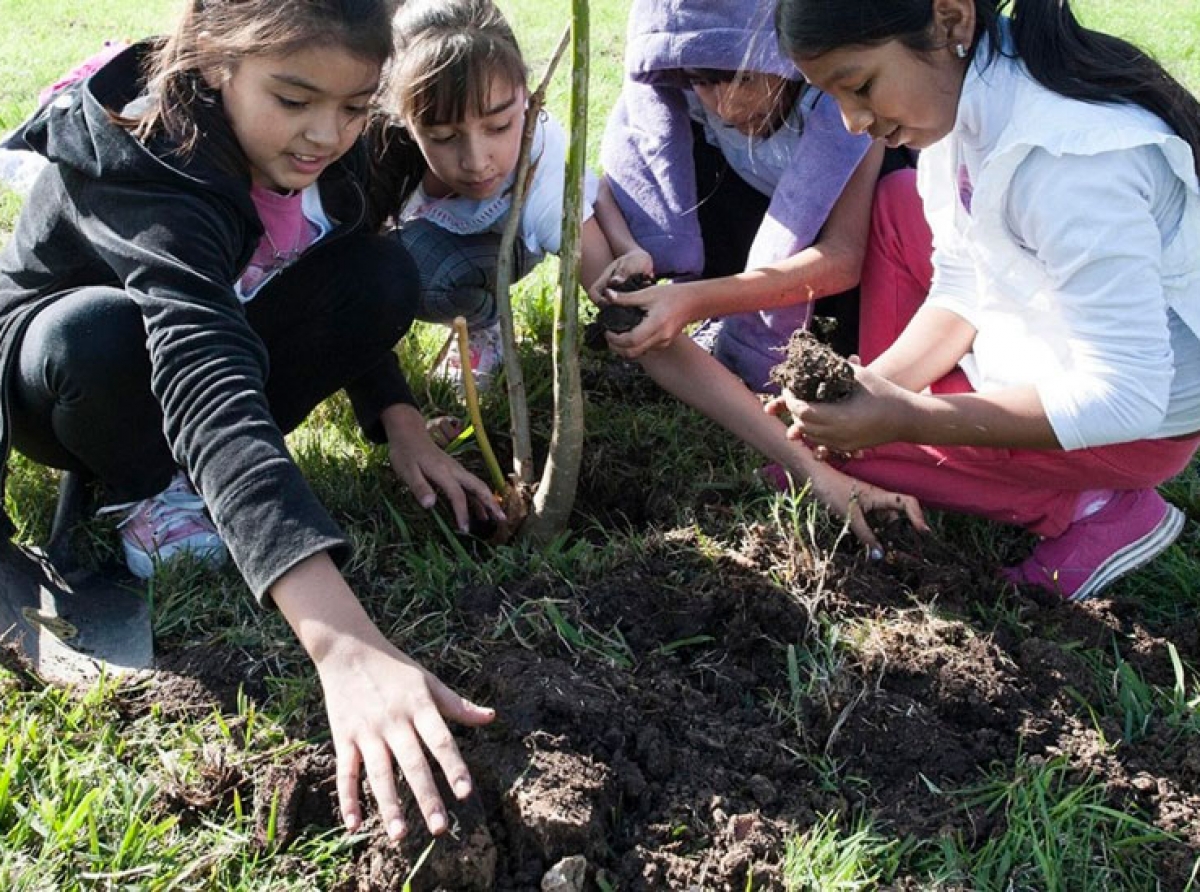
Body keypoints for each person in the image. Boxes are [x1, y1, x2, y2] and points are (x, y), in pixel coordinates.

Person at [0, 0, 504, 841]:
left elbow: (330, 270)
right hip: (69, 378)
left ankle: (205, 476)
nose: (324, 135)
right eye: (295, 99)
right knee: (97, 336)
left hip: (221, 346)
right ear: (213, 62)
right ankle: (147, 486)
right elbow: (199, 358)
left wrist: (399, 417)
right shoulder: (143, 153)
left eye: (353, 106)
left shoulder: (346, 150)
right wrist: (343, 641)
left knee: (383, 273)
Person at [762, 0, 1200, 601]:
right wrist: (876, 387)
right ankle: (900, 429)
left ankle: (1095, 505)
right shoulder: (966, 94)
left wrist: (906, 417)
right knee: (898, 204)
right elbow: (965, 279)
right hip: (1062, 338)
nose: (852, 122)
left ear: (950, 20)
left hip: (1133, 427)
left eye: (860, 86)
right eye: (835, 97)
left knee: (807, 469)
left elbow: (1126, 399)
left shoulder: (1069, 164)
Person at [595, 0, 905, 391]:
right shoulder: (681, 90)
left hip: (849, 270)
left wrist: (701, 300)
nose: (726, 106)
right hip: (755, 249)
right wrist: (631, 249)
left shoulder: (844, 105)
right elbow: (611, 187)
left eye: (744, 80)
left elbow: (844, 257)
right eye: (705, 81)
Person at [374, 0, 643, 391]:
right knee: (389, 270)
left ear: (529, 100)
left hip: (511, 238)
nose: (476, 162)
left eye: (499, 126)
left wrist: (638, 319)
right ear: (403, 118)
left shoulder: (543, 180)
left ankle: (486, 324)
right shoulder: (378, 151)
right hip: (439, 230)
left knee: (420, 274)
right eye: (444, 137)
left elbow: (619, 301)